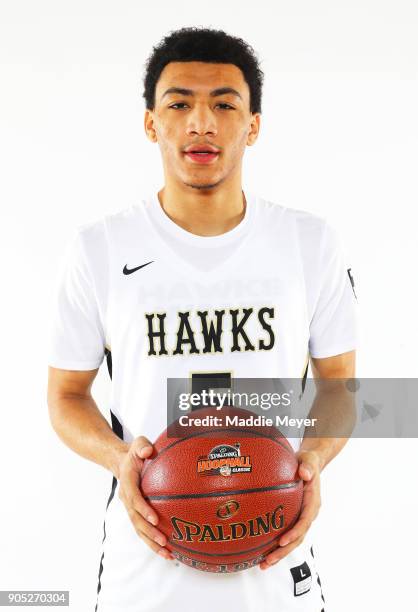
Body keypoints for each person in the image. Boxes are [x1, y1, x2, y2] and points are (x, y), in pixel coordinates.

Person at [47, 26, 358, 612]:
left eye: (224, 104)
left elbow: (343, 387)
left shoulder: (309, 243)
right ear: (151, 123)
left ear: (253, 125)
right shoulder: (99, 249)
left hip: (275, 557)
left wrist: (312, 459)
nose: (201, 122)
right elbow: (64, 396)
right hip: (144, 570)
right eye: (180, 103)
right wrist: (119, 459)